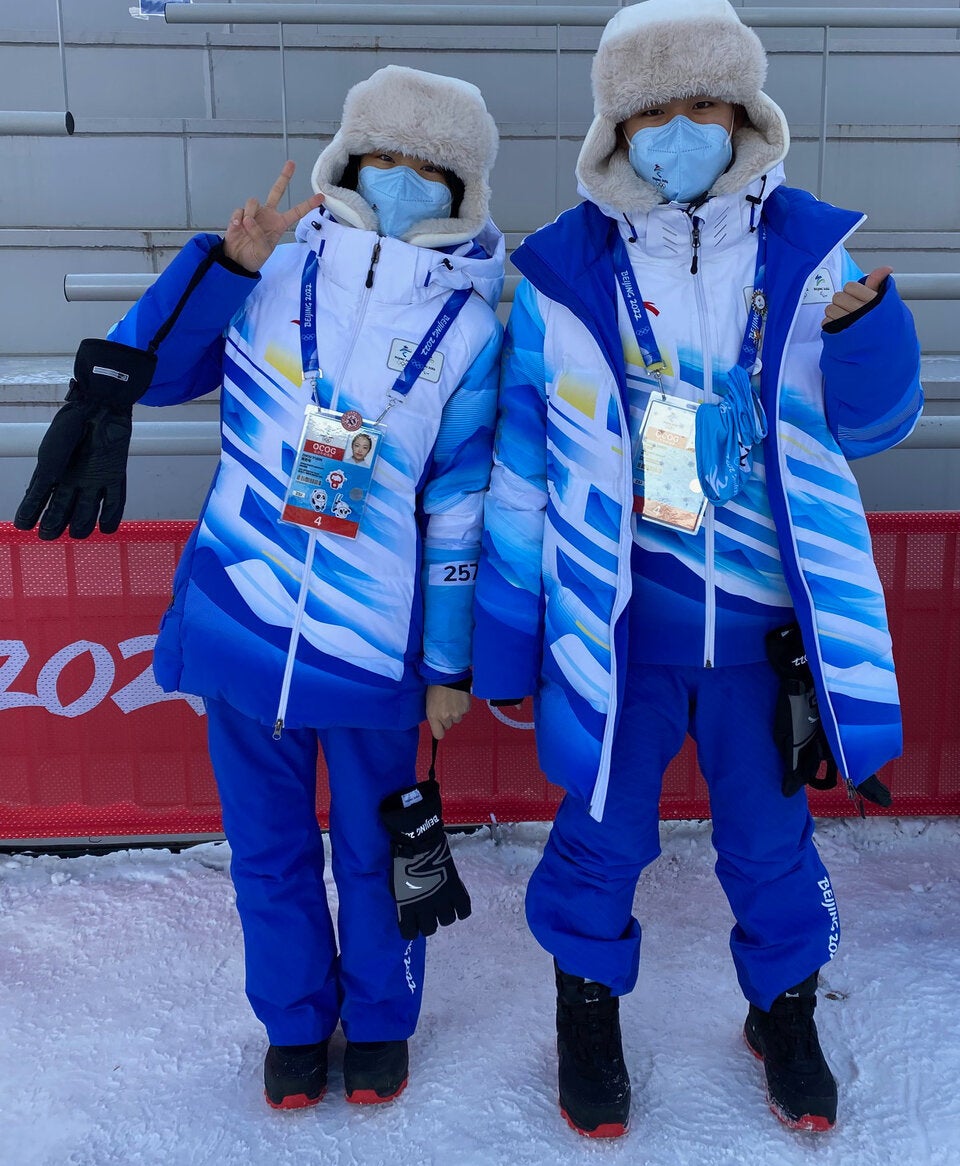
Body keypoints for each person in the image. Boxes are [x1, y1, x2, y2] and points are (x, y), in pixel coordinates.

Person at [473, 0, 922, 1139]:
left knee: (770, 842)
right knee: (601, 834)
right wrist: (506, 637)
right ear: (617, 129)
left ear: (742, 112)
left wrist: (870, 334)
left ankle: (784, 1010)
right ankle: (586, 1005)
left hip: (764, 632)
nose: (679, 130)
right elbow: (521, 467)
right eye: (652, 110)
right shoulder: (561, 271)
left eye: (703, 104)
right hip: (620, 630)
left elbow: (877, 427)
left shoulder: (812, 252)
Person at [18, 65, 503, 1111]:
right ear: (348, 161)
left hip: (373, 652)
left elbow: (460, 504)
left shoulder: (472, 327)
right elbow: (157, 370)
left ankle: (381, 1020)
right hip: (244, 624)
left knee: (377, 854)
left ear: (463, 187)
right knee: (268, 854)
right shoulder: (272, 272)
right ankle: (293, 1020)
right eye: (384, 156)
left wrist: (448, 663)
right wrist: (227, 266)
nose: (402, 179)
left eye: (430, 166)